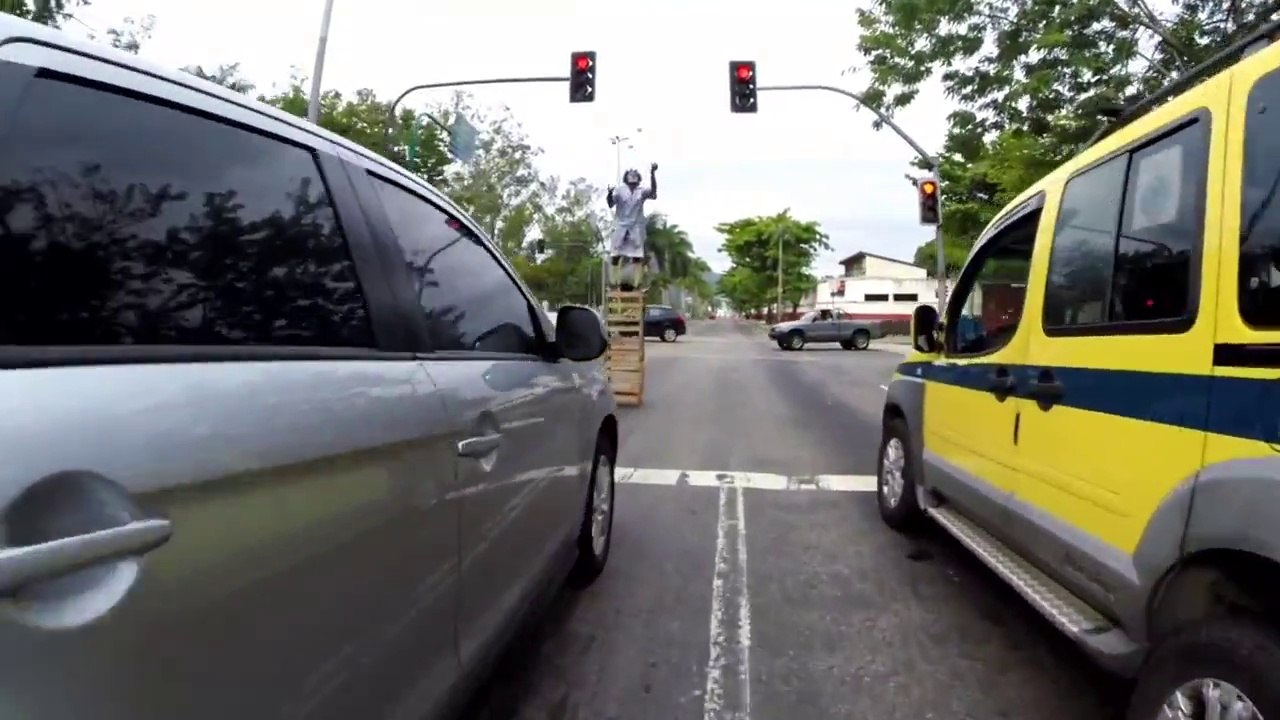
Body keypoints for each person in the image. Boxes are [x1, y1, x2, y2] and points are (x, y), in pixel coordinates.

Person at [606, 162, 658, 291]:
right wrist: (609, 194)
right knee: (615, 256)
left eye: (635, 175)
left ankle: (637, 285)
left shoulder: (642, 191)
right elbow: (611, 203)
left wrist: (652, 173)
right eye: (631, 175)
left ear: (638, 178)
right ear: (626, 177)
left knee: (637, 257)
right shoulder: (620, 190)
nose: (633, 177)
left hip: (636, 227)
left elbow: (653, 192)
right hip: (621, 226)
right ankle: (614, 283)